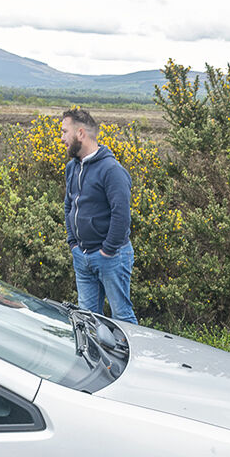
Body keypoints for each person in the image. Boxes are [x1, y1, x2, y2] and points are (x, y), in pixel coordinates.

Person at [61, 107, 136, 322]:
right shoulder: (72, 168)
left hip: (111, 257)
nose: (62, 138)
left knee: (122, 317)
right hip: (82, 256)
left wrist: (107, 251)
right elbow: (69, 206)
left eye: (65, 132)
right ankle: (96, 356)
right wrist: (73, 244)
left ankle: (133, 355)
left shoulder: (111, 170)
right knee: (87, 320)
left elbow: (121, 215)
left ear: (81, 133)